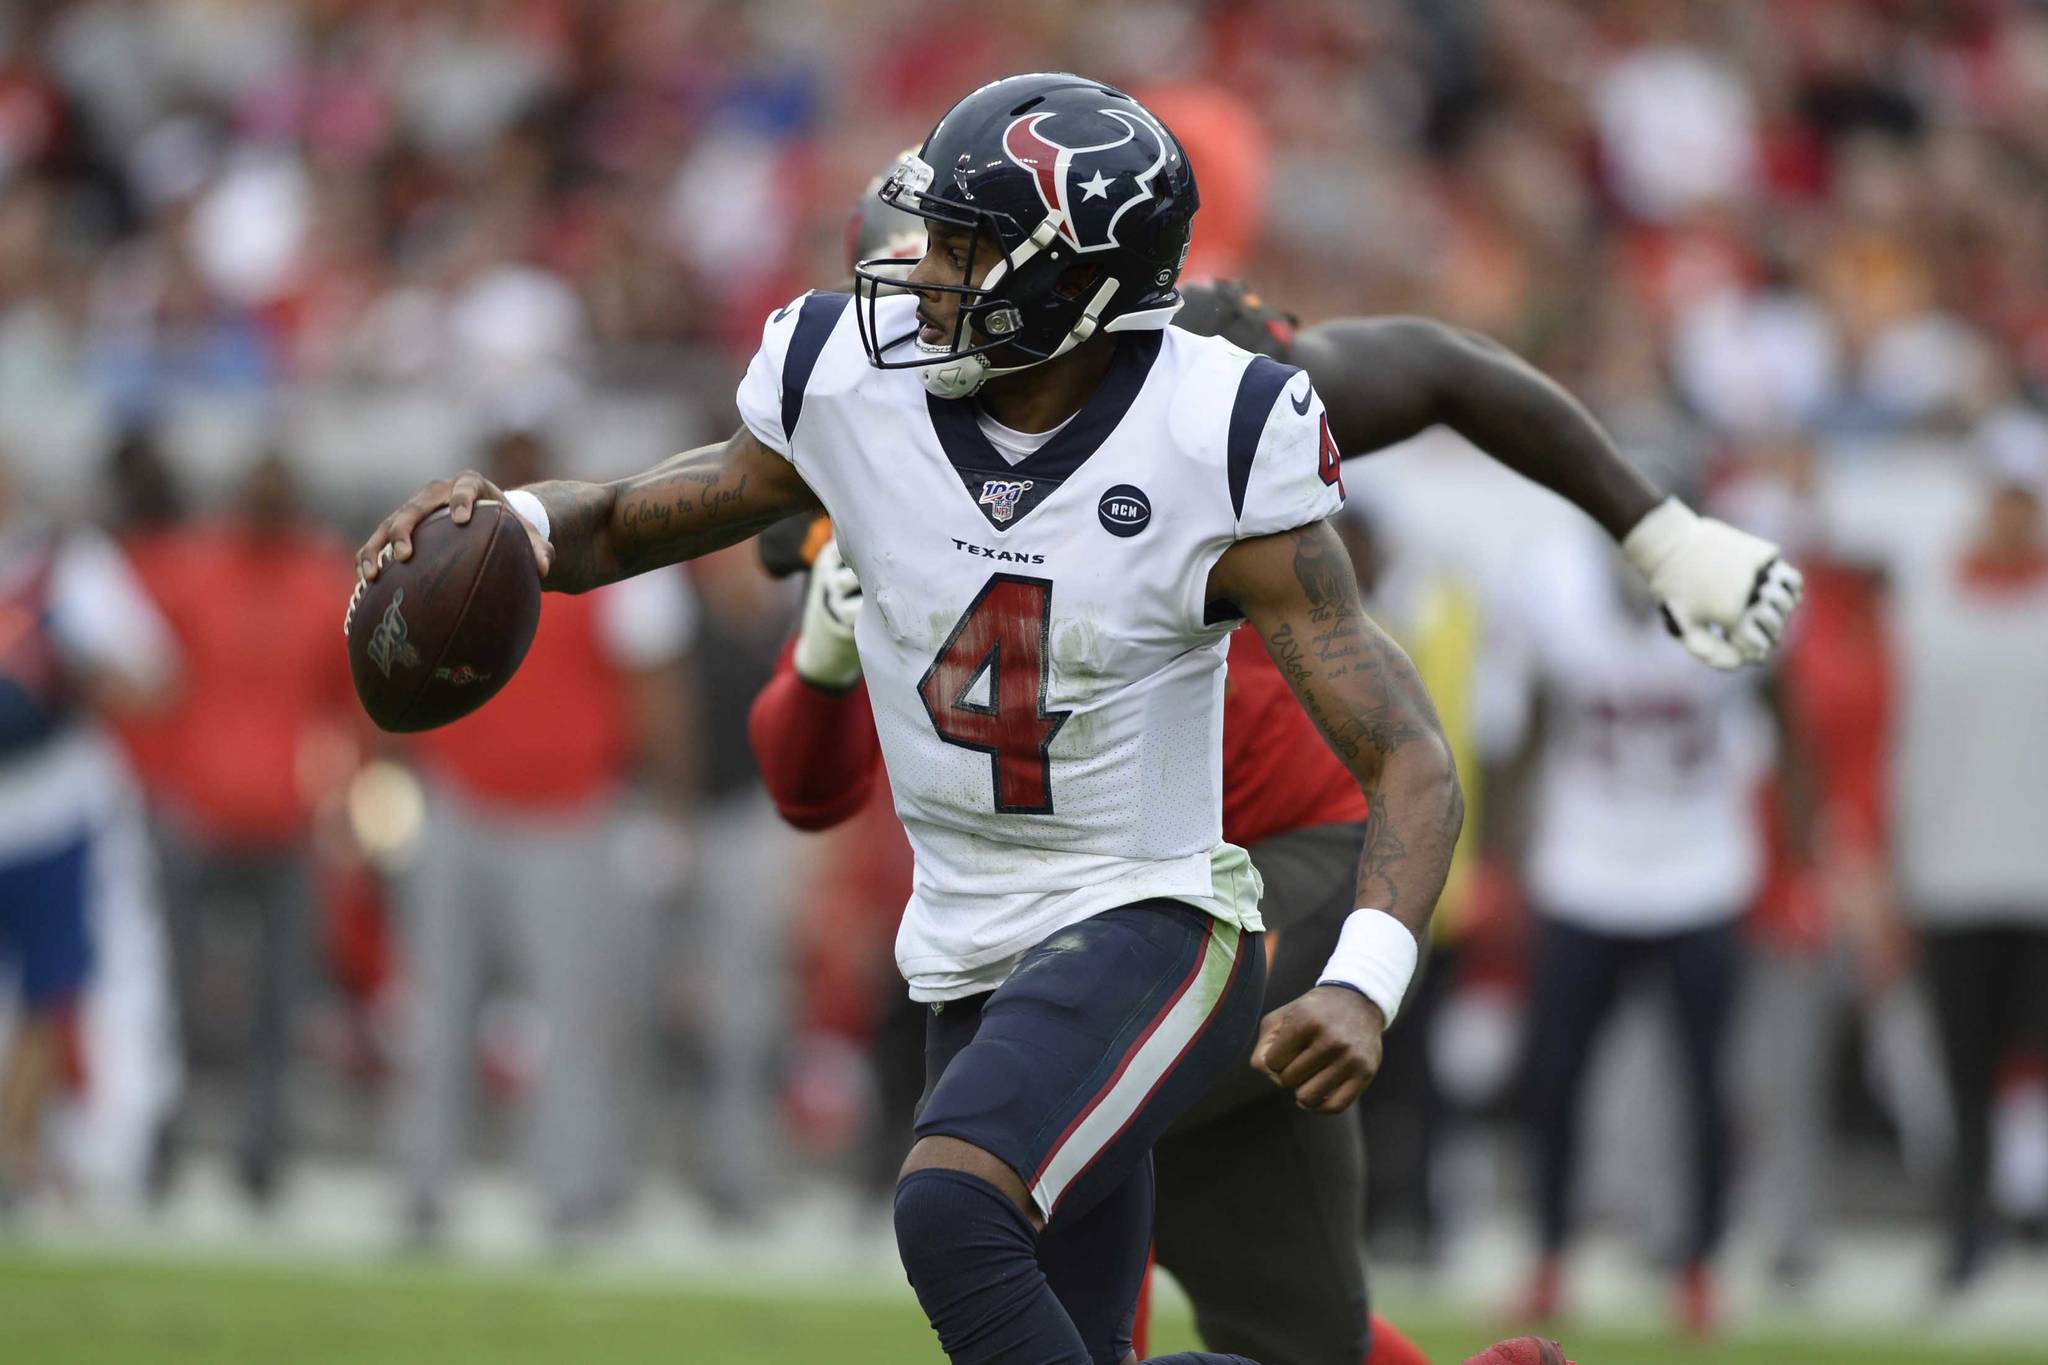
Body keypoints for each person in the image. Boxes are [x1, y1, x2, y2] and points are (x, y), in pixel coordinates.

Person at [355, 75, 1783, 1365]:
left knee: (952, 1211)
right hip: (975, 935)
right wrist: (511, 524)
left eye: (963, 248)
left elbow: (1410, 731)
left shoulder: (1213, 417)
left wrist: (1363, 971)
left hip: (1174, 903)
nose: (914, 276)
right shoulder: (850, 395)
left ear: (1076, 286)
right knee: (1235, 1333)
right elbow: (687, 615)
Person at [748, 260, 1802, 1363]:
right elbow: (806, 790)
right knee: (1299, 1340)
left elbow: (1441, 370)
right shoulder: (873, 435)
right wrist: (825, 643)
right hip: (1089, 915)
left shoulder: (1171, 391)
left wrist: (1658, 534)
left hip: (1258, 874)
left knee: (1036, 1164)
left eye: (958, 272)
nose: (925, 314)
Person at [1481, 512, 1804, 1334]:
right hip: (1584, 868)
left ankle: (1698, 1263)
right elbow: (1525, 728)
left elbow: (1788, 717)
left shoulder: (1735, 586)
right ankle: (1550, 1255)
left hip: (1700, 871)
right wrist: (1501, 855)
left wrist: (1803, 855)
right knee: (1554, 1077)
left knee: (1705, 1083)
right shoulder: (1551, 582)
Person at [391, 427, 698, 1246]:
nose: (522, 461)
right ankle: (423, 1182)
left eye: (533, 447)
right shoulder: (451, 545)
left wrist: (666, 809)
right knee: (435, 1005)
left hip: (571, 811)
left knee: (575, 1012)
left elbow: (654, 691)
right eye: (510, 448)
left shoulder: (609, 550)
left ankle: (573, 1185)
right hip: (460, 798)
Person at [117, 452, 356, 1206]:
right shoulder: (193, 571)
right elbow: (147, 679)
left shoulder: (323, 581)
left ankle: (261, 1151)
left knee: (280, 1001)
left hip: (286, 821)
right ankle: (160, 1136)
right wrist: (158, 781)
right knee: (172, 996)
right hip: (195, 816)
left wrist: (340, 792)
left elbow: (352, 699)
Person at [1890, 408, 2048, 1289]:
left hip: (2040, 871)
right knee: (1965, 1067)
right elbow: (1902, 742)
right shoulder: (1931, 599)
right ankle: (1968, 1231)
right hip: (1952, 871)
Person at [0, 453, 177, 1202]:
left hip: (50, 802)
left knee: (58, 981)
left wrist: (73, 659)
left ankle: (21, 1144)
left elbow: (157, 679)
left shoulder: (66, 563)